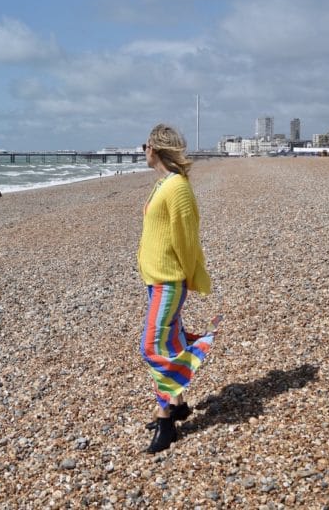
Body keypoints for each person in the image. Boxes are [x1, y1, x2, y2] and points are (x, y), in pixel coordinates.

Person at [138, 123, 220, 453]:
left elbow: (187, 240)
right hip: (156, 279)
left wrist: (189, 279)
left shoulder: (177, 189)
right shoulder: (164, 184)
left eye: (144, 145)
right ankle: (180, 404)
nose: (142, 150)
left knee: (152, 348)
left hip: (169, 281)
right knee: (170, 343)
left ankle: (165, 420)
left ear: (154, 149)